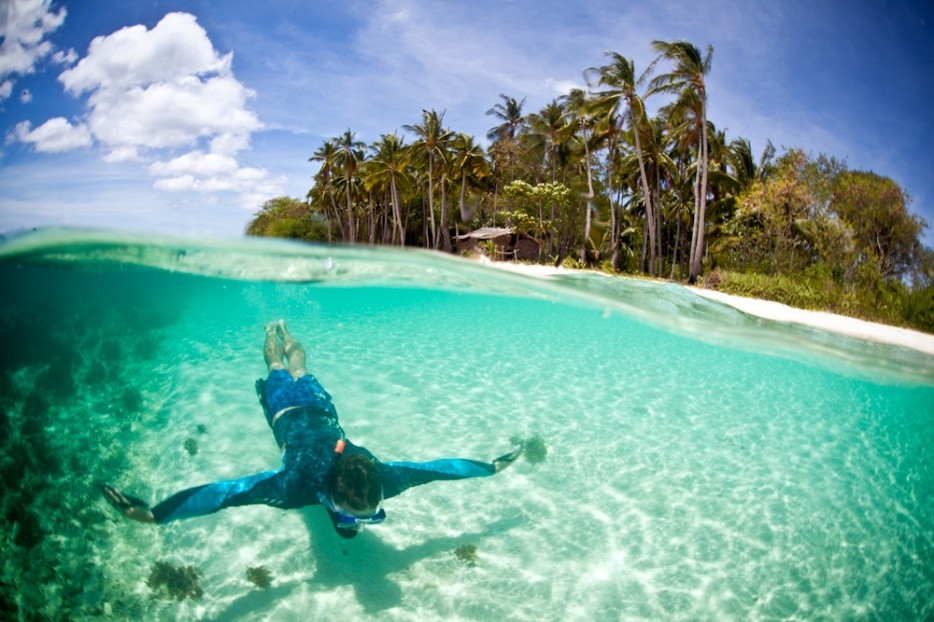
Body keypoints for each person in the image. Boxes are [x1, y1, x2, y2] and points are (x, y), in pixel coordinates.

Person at [101, 320, 521, 538]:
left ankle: (285, 330)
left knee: (298, 362)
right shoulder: (295, 485)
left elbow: (438, 470)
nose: (357, 522)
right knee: (278, 364)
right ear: (329, 495)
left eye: (371, 518)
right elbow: (225, 495)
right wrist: (155, 515)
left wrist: (490, 467)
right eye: (350, 515)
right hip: (289, 409)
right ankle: (272, 334)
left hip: (319, 409)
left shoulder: (383, 481)